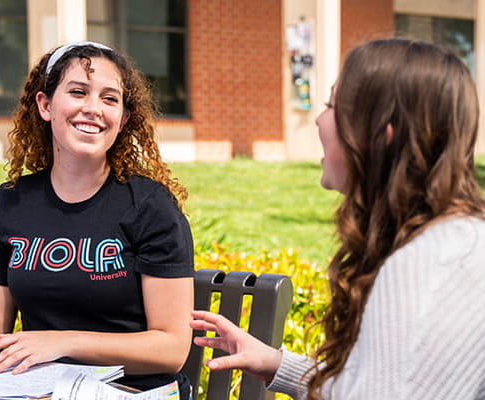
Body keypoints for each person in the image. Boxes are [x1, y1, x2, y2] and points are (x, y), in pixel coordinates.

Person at [190, 38, 485, 399]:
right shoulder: (450, 240)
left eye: (333, 105)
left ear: (380, 136)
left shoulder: (423, 266)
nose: (318, 118)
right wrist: (275, 363)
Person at [0, 41, 195, 399]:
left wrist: (63, 342)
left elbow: (170, 348)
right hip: (37, 387)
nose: (93, 109)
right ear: (45, 105)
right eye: (78, 92)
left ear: (122, 119)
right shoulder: (12, 202)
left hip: (135, 390)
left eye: (110, 99)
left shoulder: (148, 205)